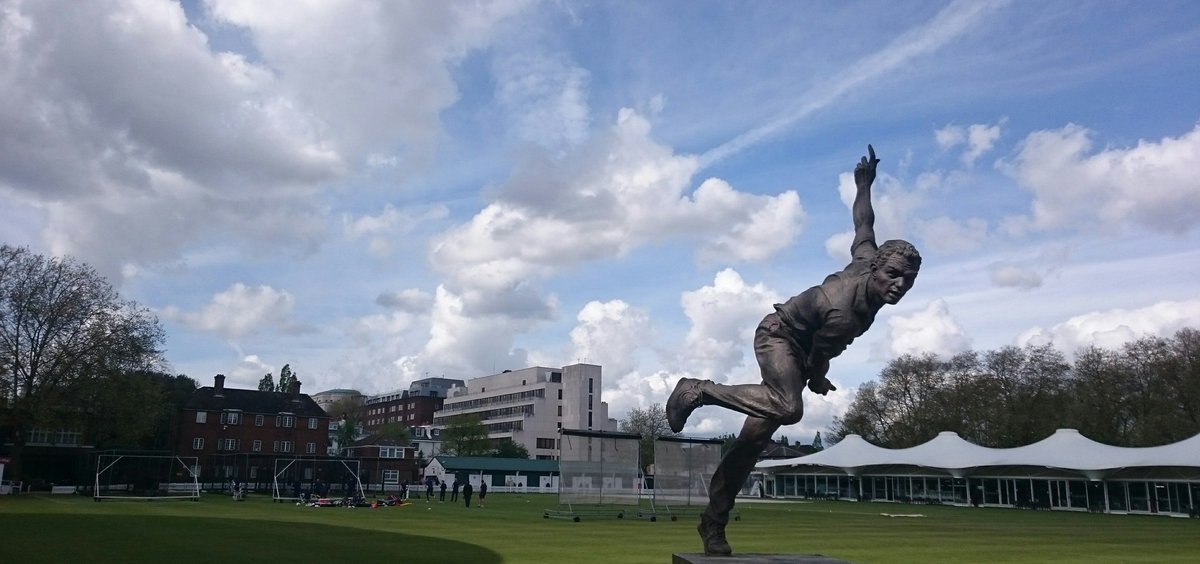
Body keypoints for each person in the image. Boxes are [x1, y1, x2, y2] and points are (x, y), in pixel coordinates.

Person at [666, 145, 921, 556]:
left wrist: (863, 184)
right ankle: (699, 389)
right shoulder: (841, 305)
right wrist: (816, 373)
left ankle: (712, 525)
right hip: (777, 336)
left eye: (907, 281)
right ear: (876, 269)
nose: (899, 286)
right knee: (788, 408)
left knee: (749, 445)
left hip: (799, 351)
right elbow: (820, 346)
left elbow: (863, 223)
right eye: (894, 275)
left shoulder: (868, 259)